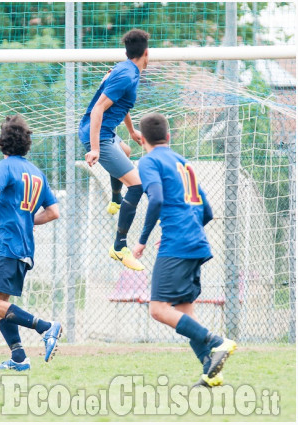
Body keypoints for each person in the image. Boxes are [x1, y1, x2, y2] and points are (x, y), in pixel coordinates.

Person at [132, 112, 236, 387]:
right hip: (195, 241)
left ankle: (216, 342)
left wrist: (142, 239)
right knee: (184, 311)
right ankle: (211, 372)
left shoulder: (149, 161)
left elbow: (155, 198)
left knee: (158, 309)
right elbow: (208, 210)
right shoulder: (183, 163)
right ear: (169, 136)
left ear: (142, 139)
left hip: (177, 242)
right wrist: (186, 230)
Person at [0, 115, 61, 371]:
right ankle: (19, 359)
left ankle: (46, 327)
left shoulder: (5, 167)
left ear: (1, 143)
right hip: (25, 247)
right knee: (2, 304)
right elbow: (53, 212)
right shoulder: (37, 173)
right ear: (27, 143)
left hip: (8, 244)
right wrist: (26, 219)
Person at [78, 29, 150, 272]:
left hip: (107, 133)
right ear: (146, 53)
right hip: (98, 135)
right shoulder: (126, 76)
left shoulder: (125, 69)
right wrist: (95, 148)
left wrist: (131, 132)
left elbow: (121, 104)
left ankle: (116, 199)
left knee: (127, 151)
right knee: (138, 185)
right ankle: (119, 247)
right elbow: (99, 109)